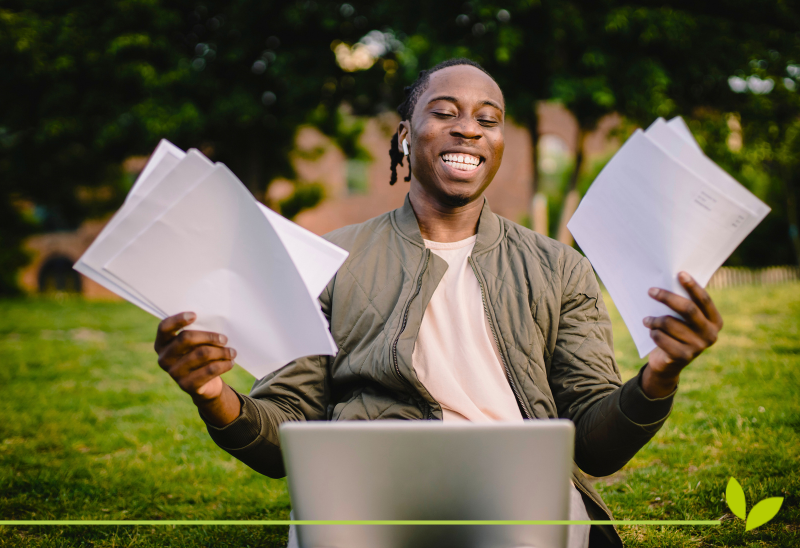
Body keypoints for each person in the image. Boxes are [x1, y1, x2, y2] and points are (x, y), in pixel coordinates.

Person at [152, 59, 723, 547]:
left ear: (499, 144)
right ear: (406, 135)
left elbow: (596, 442)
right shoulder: (328, 260)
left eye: (487, 120)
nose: (468, 130)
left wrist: (659, 376)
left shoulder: (559, 268)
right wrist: (212, 395)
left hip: (520, 503)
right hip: (365, 494)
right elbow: (285, 435)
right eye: (445, 112)